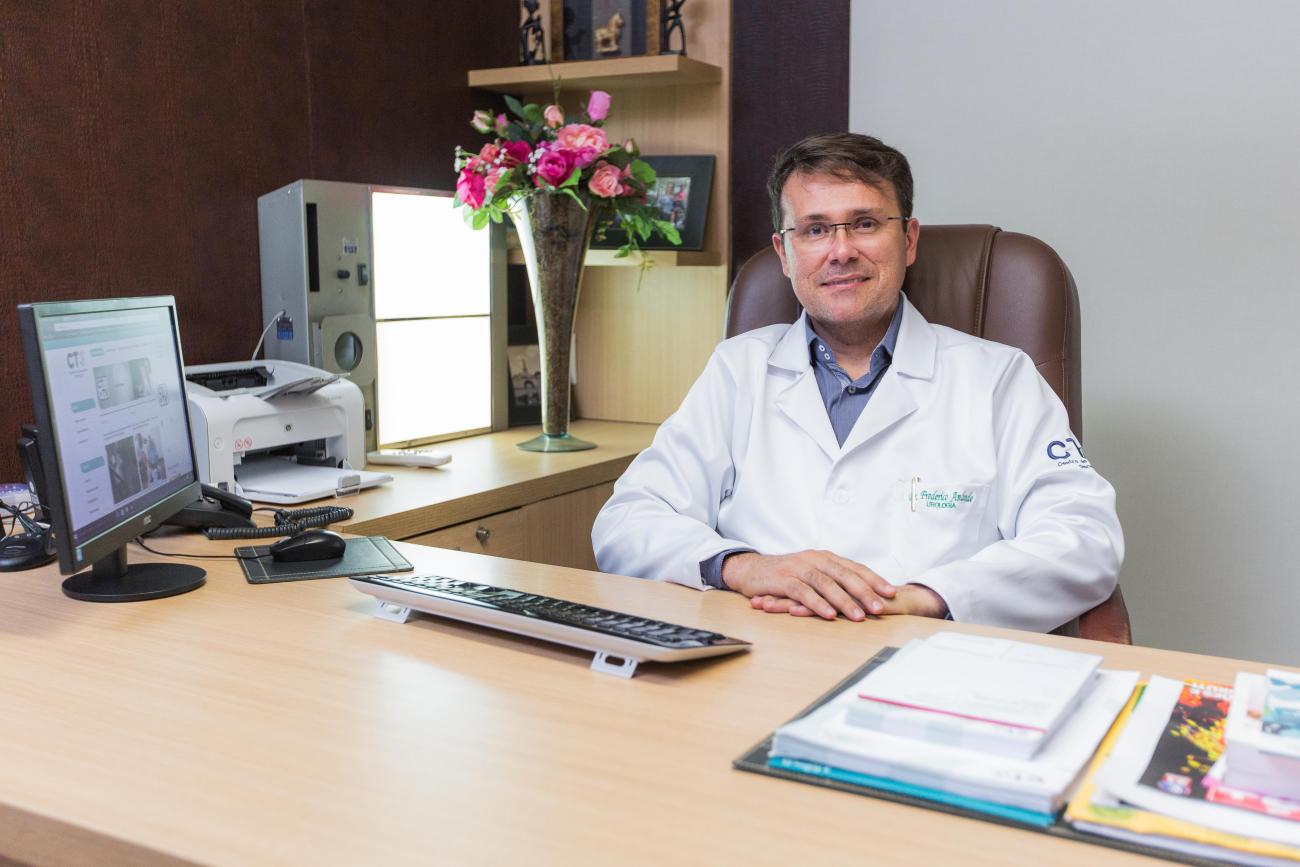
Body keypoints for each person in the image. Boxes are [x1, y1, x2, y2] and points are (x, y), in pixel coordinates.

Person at [591, 132, 1123, 632]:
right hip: (756, 657)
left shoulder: (998, 378)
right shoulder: (738, 369)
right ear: (783, 253)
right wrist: (744, 567)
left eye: (865, 223)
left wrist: (927, 597)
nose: (841, 250)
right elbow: (628, 521)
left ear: (908, 240)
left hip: (928, 661)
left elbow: (1084, 539)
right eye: (815, 229)